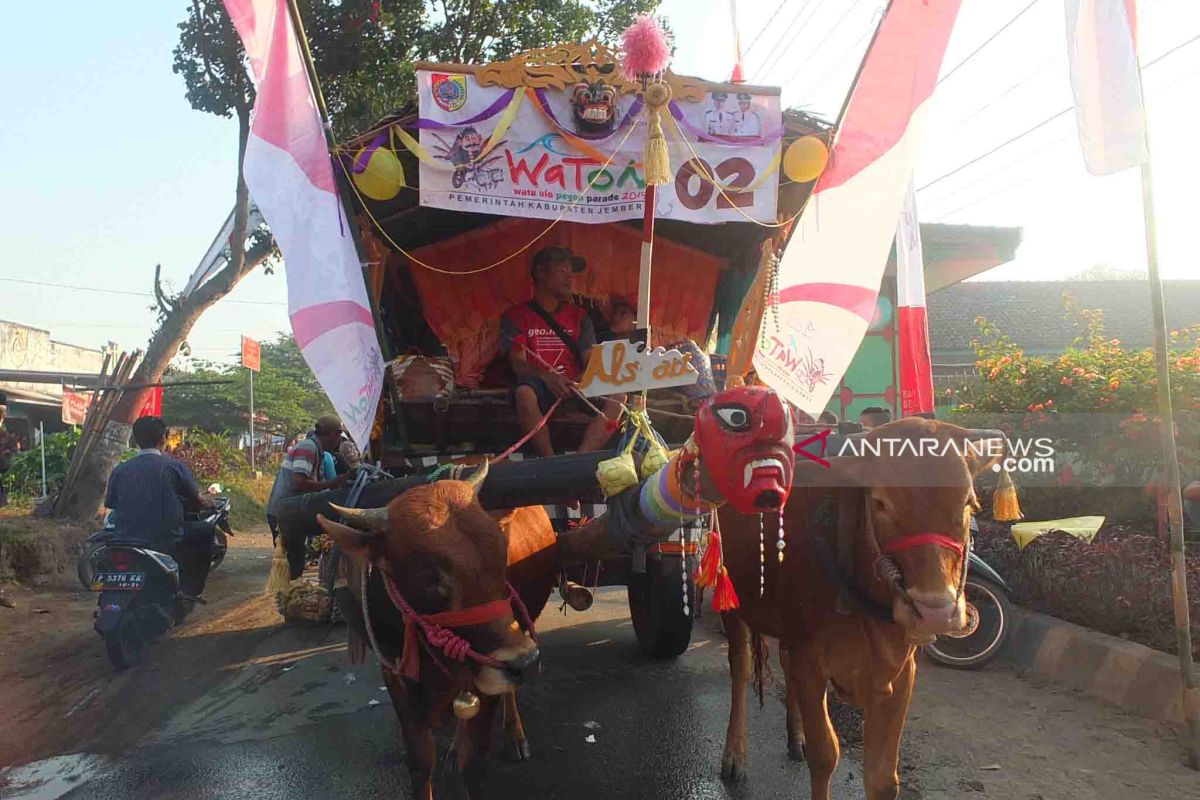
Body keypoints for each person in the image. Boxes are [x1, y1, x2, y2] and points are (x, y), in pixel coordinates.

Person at [500, 246, 623, 458]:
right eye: (562, 271)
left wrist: (584, 377)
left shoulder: (580, 316)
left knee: (619, 396)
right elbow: (518, 363)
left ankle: (579, 458)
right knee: (523, 394)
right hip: (539, 385)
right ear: (541, 273)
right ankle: (550, 462)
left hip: (575, 384)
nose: (570, 279)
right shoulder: (515, 316)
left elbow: (590, 359)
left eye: (571, 273)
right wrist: (547, 377)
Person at [104, 415, 219, 600]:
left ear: (135, 439)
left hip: (125, 536)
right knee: (205, 530)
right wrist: (207, 502)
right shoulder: (174, 466)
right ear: (163, 439)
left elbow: (111, 502)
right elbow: (196, 499)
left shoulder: (121, 469)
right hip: (166, 536)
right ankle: (190, 588)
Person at [266, 415, 350, 579]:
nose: (339, 440)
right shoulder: (308, 448)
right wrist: (332, 484)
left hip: (289, 509)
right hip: (285, 511)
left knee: (296, 557)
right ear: (333, 434)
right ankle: (288, 595)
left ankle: (289, 591)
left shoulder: (316, 450)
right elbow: (300, 482)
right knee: (293, 560)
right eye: (339, 435)